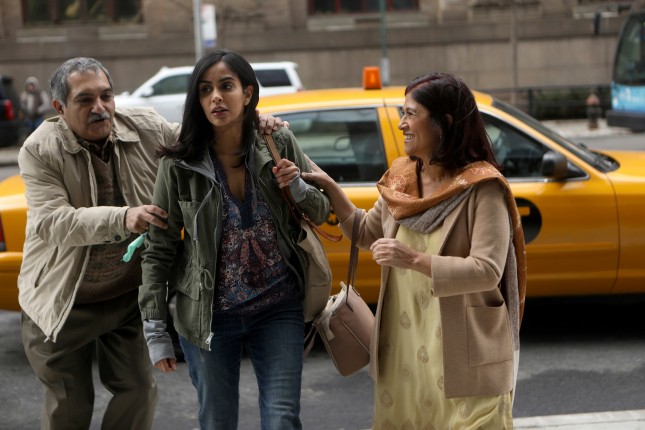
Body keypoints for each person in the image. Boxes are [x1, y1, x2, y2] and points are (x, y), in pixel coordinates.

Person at [18, 56, 285, 430]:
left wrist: (252, 121)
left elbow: (204, 138)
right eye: (85, 100)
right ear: (60, 108)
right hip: (63, 300)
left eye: (106, 96)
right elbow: (51, 222)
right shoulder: (39, 149)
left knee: (139, 393)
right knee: (70, 405)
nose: (100, 108)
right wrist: (123, 217)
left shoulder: (145, 127)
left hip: (125, 298)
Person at [302, 72, 527, 429]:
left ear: (444, 122)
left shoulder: (483, 188)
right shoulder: (402, 178)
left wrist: (413, 260)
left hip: (462, 349)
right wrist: (330, 187)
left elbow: (486, 270)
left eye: (411, 113)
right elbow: (366, 232)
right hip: (404, 349)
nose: (401, 123)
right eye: (402, 113)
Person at [138, 49, 331, 430]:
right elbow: (159, 247)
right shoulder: (178, 164)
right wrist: (156, 329)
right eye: (205, 89)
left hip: (278, 307)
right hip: (208, 315)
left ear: (248, 93)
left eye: (226, 86)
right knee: (218, 421)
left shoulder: (278, 141)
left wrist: (296, 186)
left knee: (282, 419)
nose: (215, 97)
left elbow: (322, 211)